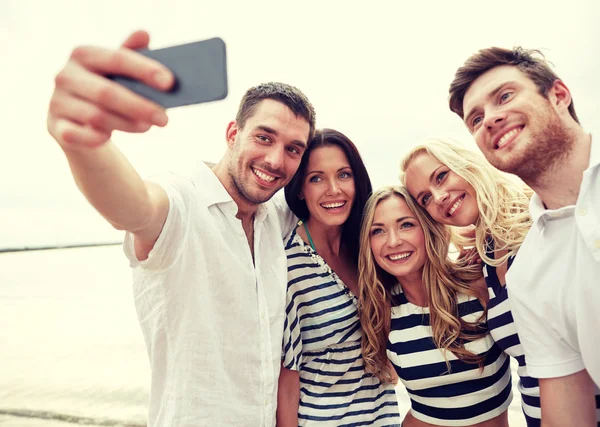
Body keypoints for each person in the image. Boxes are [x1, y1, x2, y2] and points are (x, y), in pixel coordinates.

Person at [46, 30, 316, 426]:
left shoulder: (277, 216)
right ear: (232, 134)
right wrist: (81, 141)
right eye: (264, 137)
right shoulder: (181, 201)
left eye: (293, 148)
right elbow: (133, 207)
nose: (276, 160)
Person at [447, 46, 600, 426]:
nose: (491, 120)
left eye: (504, 96)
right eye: (476, 119)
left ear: (559, 95)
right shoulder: (528, 274)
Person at [401, 138, 600, 426]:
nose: (439, 196)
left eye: (441, 176)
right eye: (425, 199)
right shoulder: (487, 257)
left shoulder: (543, 220)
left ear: (466, 164)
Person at [358, 185, 512, 427]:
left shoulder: (477, 284)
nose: (394, 241)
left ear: (427, 227)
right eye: (377, 231)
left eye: (406, 224)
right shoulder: (382, 308)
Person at [277, 129, 401, 426]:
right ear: (299, 189)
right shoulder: (288, 266)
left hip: (384, 417)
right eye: (316, 178)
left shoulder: (369, 248)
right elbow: (287, 377)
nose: (334, 189)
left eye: (344, 175)